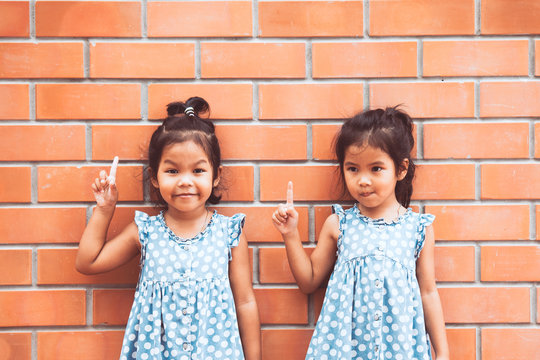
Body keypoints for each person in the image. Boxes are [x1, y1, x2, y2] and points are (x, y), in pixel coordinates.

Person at [76, 97, 261, 360]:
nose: (185, 181)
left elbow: (245, 302)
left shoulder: (229, 233)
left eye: (198, 170)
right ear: (154, 176)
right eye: (172, 171)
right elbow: (88, 262)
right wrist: (105, 209)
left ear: (216, 175)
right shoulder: (145, 232)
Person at [272, 107, 449, 360]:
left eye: (376, 169)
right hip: (345, 350)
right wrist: (290, 234)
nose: (363, 180)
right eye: (353, 169)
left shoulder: (418, 228)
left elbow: (428, 292)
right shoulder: (339, 224)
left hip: (398, 350)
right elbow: (309, 280)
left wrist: (442, 352)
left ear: (400, 169)